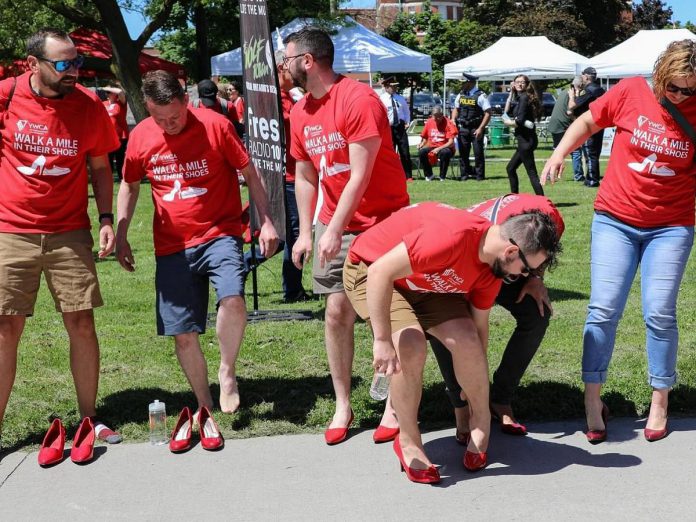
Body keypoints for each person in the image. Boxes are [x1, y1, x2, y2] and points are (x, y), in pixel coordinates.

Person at [541, 39, 696, 444]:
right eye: (673, 87)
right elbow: (589, 122)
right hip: (615, 220)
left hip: (671, 225)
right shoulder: (630, 91)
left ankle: (660, 398)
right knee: (603, 309)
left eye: (689, 90)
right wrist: (560, 152)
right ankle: (593, 398)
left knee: (659, 312)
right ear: (660, 74)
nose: (679, 95)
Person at [343, 202, 561, 483]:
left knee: (467, 340)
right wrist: (382, 340)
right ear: (510, 251)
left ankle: (480, 427)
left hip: (424, 280)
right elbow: (380, 273)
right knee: (410, 345)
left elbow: (479, 330)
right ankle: (409, 443)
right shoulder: (449, 238)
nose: (523, 277)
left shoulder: (491, 270)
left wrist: (474, 382)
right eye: (526, 269)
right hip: (373, 270)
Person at [116, 70, 279, 418]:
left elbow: (250, 173)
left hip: (219, 232)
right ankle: (204, 402)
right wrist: (121, 231)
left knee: (232, 297)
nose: (169, 124)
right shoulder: (142, 135)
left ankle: (227, 370)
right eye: (160, 118)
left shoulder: (215, 126)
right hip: (171, 243)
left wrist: (264, 221)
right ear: (146, 109)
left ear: (186, 101)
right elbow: (129, 185)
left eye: (175, 116)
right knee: (183, 332)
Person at [283, 27, 410, 445]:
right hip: (333, 225)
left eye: (286, 59)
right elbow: (305, 175)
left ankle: (393, 402)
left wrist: (334, 228)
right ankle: (343, 402)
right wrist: (306, 232)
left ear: (307, 61)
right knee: (337, 313)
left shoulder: (359, 99)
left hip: (381, 222)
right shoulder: (300, 112)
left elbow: (362, 172)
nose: (282, 68)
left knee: (385, 313)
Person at [0, 28, 122, 445]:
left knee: (82, 322)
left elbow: (102, 167)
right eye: (64, 64)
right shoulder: (6, 96)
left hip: (70, 230)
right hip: (10, 230)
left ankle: (90, 419)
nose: (74, 71)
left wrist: (106, 217)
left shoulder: (88, 105)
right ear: (33, 65)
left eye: (77, 63)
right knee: (6, 328)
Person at [242, 49, 308, 303]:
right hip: (284, 178)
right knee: (287, 235)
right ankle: (245, 266)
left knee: (291, 234)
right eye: (293, 65)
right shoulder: (273, 100)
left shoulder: (288, 97)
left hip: (292, 175)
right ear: (281, 68)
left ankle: (293, 287)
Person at [503, 75, 544, 195]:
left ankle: (542, 199)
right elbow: (507, 111)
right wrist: (511, 93)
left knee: (531, 172)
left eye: (522, 82)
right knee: (510, 169)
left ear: (527, 84)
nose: (519, 84)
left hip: (526, 141)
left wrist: (508, 123)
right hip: (525, 140)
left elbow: (519, 120)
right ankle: (514, 196)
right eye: (517, 82)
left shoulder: (524, 98)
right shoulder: (520, 97)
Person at [569, 67, 606, 187]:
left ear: (586, 77)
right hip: (599, 124)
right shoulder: (600, 89)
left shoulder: (589, 90)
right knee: (594, 153)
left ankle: (592, 179)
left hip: (591, 124)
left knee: (590, 153)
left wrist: (572, 95)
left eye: (583, 76)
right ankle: (590, 177)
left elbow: (573, 105)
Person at [451, 73, 491, 181]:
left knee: (478, 153)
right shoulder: (461, 95)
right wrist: (453, 119)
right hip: (463, 127)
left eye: (463, 82)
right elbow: (456, 108)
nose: (461, 85)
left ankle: (479, 176)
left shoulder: (481, 95)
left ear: (470, 82)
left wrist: (481, 128)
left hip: (476, 128)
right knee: (463, 153)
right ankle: (464, 175)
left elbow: (488, 112)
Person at [547, 76, 586, 182]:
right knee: (576, 150)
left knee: (557, 151)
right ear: (581, 85)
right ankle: (578, 176)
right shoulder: (572, 94)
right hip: (562, 124)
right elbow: (570, 111)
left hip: (555, 124)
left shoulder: (565, 91)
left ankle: (549, 173)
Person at [379, 76, 413, 181]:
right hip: (388, 128)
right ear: (386, 87)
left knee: (405, 152)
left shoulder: (400, 98)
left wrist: (407, 121)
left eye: (395, 86)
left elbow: (406, 111)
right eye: (392, 86)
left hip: (400, 128)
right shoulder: (381, 99)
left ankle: (408, 176)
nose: (394, 88)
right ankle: (392, 175)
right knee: (391, 153)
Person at [417, 106, 457, 181]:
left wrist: (438, 149)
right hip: (432, 146)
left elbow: (451, 142)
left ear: (442, 115)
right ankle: (429, 175)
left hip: (445, 147)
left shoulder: (448, 123)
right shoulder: (429, 122)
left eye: (439, 117)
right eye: (435, 118)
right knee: (422, 152)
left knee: (445, 152)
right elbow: (425, 137)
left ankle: (442, 176)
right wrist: (422, 144)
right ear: (432, 116)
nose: (438, 119)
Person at [102, 85, 129, 181]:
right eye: (106, 92)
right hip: (107, 137)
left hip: (121, 136)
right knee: (108, 159)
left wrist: (108, 87)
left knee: (120, 159)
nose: (107, 94)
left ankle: (122, 179)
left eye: (109, 92)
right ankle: (108, 179)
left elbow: (121, 92)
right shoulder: (103, 104)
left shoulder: (121, 103)